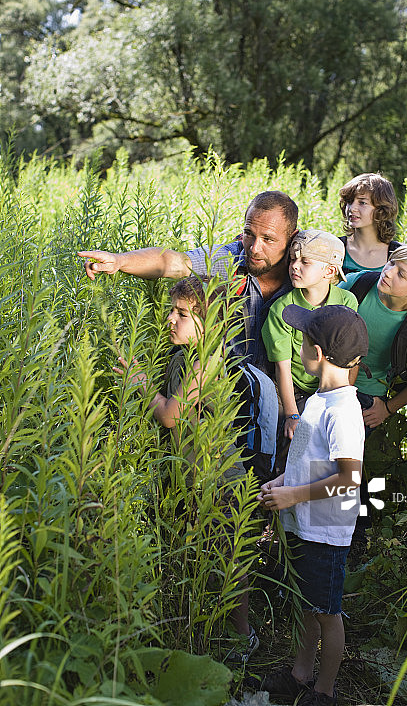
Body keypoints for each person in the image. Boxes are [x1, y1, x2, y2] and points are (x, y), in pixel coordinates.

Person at [113, 275, 276, 664]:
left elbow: (170, 415)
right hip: (192, 478)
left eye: (183, 314)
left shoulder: (209, 360)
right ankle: (210, 631)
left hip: (219, 480)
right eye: (172, 310)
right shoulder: (182, 357)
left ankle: (242, 638)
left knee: (230, 559)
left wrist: (138, 383)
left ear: (211, 323)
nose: (172, 319)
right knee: (204, 557)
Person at [254, 304, 369, 706]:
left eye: (302, 340)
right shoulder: (317, 400)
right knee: (306, 604)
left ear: (316, 354)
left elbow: (349, 477)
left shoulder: (344, 412)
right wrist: (281, 482)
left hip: (325, 528)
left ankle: (325, 691)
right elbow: (300, 458)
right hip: (302, 522)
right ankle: (301, 673)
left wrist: (292, 495)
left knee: (326, 612)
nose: (298, 346)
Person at [79, 190, 299, 373]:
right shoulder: (228, 260)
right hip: (222, 389)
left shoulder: (308, 270)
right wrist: (120, 260)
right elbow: (173, 262)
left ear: (292, 237)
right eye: (249, 234)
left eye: (268, 239)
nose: (254, 248)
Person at [261, 230, 358, 459]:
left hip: (327, 389)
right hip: (289, 390)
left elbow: (349, 358)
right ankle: (277, 480)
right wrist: (292, 416)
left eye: (305, 261)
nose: (294, 266)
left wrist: (341, 396)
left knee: (320, 449)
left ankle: (311, 487)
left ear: (330, 270)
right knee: (292, 442)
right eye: (293, 259)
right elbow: (282, 368)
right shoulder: (282, 309)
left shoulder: (346, 302)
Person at [339, 242, 407, 429]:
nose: (388, 272)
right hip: (322, 379)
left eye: (401, 274)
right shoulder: (359, 283)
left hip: (364, 397)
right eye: (392, 263)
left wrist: (387, 409)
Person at [338, 172, 399, 274]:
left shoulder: (398, 255)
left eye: (362, 203)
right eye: (349, 202)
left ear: (382, 209)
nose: (352, 208)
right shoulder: (334, 249)